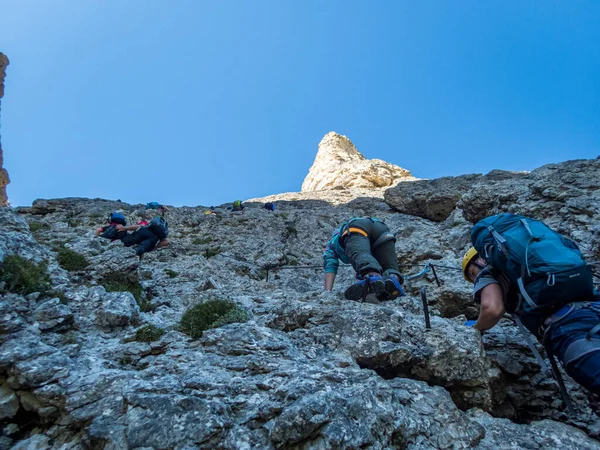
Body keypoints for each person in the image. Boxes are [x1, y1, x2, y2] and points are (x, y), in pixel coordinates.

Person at [462, 213, 600, 395]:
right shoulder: (538, 256)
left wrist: (473, 331)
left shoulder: (488, 273)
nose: (474, 279)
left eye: (472, 273)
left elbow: (493, 309)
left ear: (480, 259)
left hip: (566, 326)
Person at [323, 217, 405, 301]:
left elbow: (330, 266)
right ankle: (394, 279)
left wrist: (327, 292)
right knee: (390, 268)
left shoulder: (332, 244)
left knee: (363, 257)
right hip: (382, 229)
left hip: (357, 227)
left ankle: (373, 277)